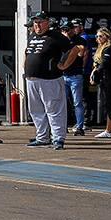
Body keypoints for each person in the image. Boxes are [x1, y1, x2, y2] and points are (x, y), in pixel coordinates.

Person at [24, 12, 78, 150]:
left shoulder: (56, 36)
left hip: (50, 79)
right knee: (36, 110)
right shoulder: (32, 36)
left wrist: (64, 65)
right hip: (32, 79)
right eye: (35, 22)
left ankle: (58, 138)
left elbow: (74, 50)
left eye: (40, 22)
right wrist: (25, 67)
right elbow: (27, 52)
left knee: (54, 109)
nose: (37, 25)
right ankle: (42, 137)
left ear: (47, 22)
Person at [90, 28, 111, 138]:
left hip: (109, 79)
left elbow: (105, 64)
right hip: (102, 79)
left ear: (107, 37)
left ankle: (109, 130)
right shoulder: (100, 48)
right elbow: (96, 65)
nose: (98, 38)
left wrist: (96, 72)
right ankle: (107, 129)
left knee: (109, 104)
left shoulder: (108, 49)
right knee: (105, 104)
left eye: (101, 36)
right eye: (97, 36)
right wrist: (93, 73)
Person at [61, 21, 89, 136]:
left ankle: (79, 126)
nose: (66, 32)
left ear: (73, 29)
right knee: (62, 103)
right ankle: (62, 126)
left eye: (68, 30)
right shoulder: (61, 41)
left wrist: (69, 42)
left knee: (77, 102)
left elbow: (81, 54)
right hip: (63, 75)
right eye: (64, 30)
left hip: (75, 75)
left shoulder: (80, 40)